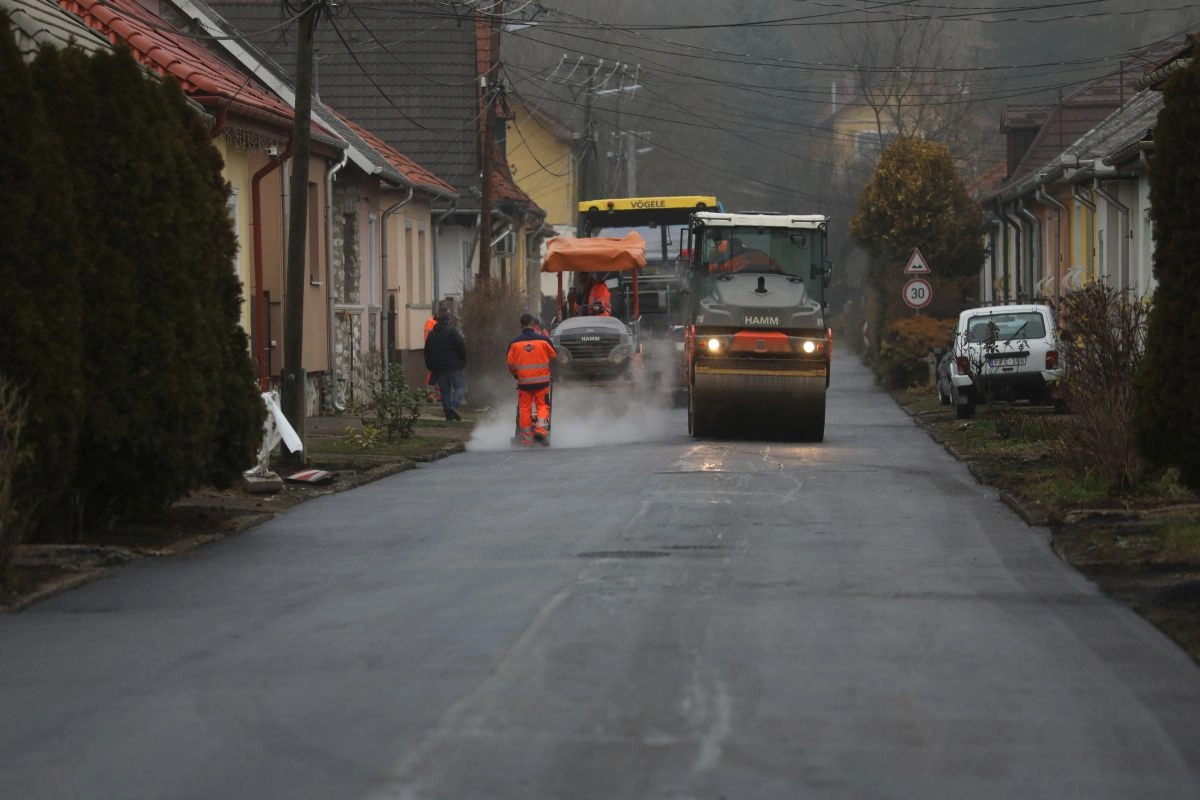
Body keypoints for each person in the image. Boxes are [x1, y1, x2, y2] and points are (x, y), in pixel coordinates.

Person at [507, 313, 557, 445]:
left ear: (520, 325)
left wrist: (516, 375)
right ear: (533, 324)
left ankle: (526, 437)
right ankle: (540, 429)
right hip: (542, 382)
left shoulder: (514, 343)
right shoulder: (543, 340)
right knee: (542, 406)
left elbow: (510, 364)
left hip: (524, 383)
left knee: (524, 408)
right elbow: (554, 355)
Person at [423, 310, 467, 421]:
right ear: (448, 320)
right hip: (455, 366)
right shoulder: (452, 331)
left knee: (445, 392)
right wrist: (463, 360)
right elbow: (461, 346)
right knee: (460, 387)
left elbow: (426, 352)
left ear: (436, 321)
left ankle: (448, 416)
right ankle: (454, 406)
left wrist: (431, 367)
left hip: (439, 368)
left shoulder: (431, 335)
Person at [423, 313, 441, 404]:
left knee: (433, 374)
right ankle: (435, 395)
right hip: (437, 353)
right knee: (437, 375)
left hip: (430, 352)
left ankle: (433, 394)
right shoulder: (436, 325)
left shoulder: (428, 322)